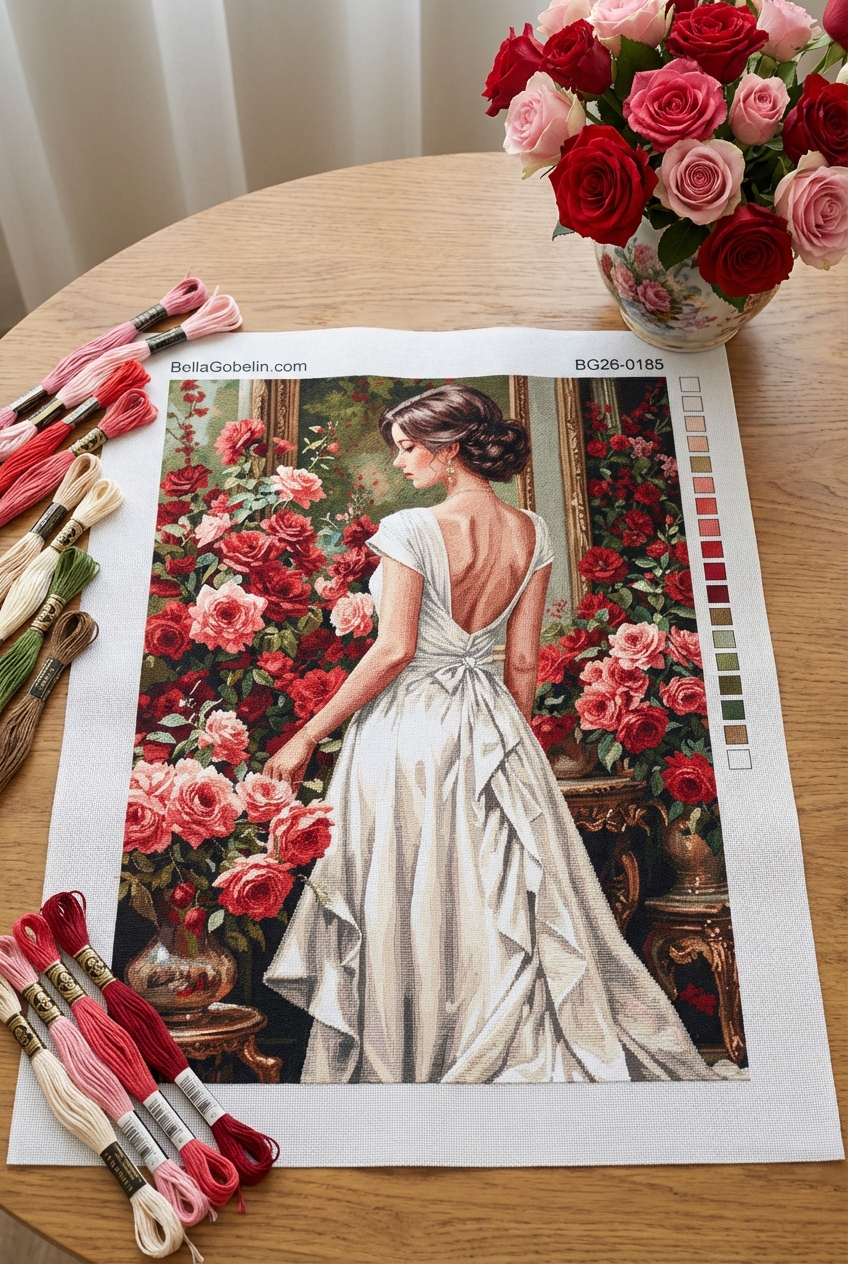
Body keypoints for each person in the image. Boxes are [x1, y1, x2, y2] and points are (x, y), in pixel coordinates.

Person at [263, 384, 716, 1084]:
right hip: (491, 725)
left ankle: (417, 1050)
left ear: (448, 451)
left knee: (411, 888)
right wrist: (504, 736)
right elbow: (523, 662)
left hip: (410, 731)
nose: (400, 462)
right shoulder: (530, 530)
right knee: (490, 890)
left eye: (409, 449)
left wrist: (304, 736)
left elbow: (394, 649)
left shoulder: (412, 528)